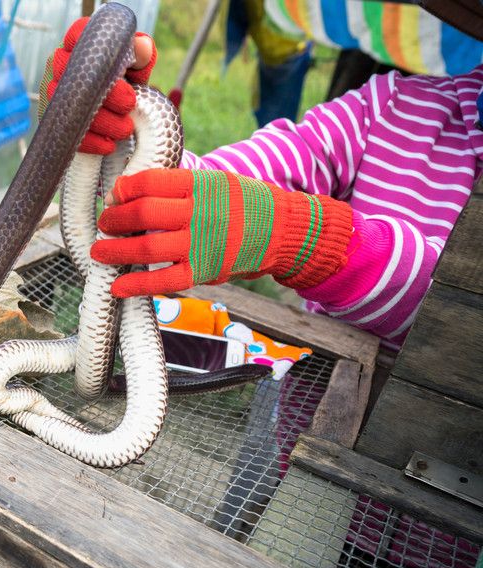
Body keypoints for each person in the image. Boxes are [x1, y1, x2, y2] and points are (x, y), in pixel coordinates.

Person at [43, 17, 483, 351]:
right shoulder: (397, 104)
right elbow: (240, 177)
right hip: (305, 415)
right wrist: (113, 134)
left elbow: (460, 315)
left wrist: (309, 240)